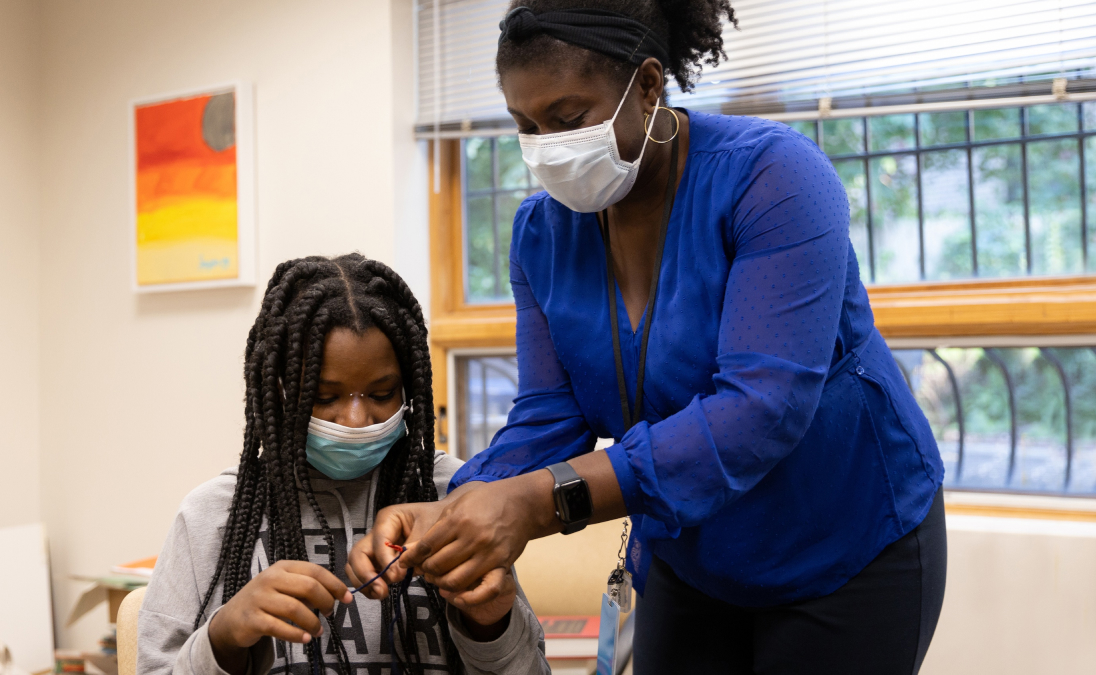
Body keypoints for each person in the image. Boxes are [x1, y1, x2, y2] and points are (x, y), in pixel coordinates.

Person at [348, 2, 947, 674]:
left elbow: (762, 409)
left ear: (649, 85)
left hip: (845, 545)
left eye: (568, 119)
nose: (547, 144)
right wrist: (451, 509)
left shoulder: (774, 178)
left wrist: (536, 501)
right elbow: (552, 411)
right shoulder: (542, 235)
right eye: (525, 126)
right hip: (692, 555)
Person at [137, 254, 549, 675]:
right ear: (277, 390)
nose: (356, 420)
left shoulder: (454, 496)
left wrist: (492, 625)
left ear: (410, 388)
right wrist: (222, 638)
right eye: (324, 396)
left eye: (382, 392)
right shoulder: (211, 516)